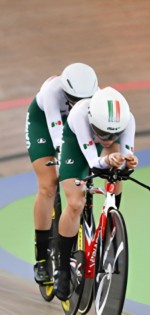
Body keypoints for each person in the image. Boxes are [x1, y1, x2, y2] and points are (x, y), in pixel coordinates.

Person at [54, 86, 138, 300]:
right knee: (75, 203)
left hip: (100, 152)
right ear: (93, 121)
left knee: (117, 171)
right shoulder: (81, 115)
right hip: (76, 145)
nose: (108, 138)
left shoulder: (128, 120)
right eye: (102, 132)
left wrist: (128, 163)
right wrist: (107, 160)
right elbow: (93, 162)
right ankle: (63, 268)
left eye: (114, 134)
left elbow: (126, 157)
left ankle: (111, 219)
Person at [25, 63, 99, 284]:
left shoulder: (96, 95)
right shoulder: (52, 92)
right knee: (48, 186)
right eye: (73, 98)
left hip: (75, 125)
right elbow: (57, 133)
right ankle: (41, 259)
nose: (78, 102)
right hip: (44, 125)